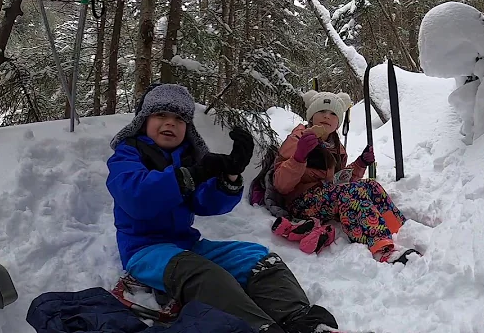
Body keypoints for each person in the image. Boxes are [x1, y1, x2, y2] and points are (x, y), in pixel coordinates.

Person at [106, 83, 339, 333]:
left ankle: (302, 322)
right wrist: (190, 175)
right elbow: (137, 199)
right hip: (144, 251)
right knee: (206, 275)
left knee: (259, 258)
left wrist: (229, 176)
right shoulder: (127, 155)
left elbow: (205, 203)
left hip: (187, 246)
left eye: (179, 118)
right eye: (161, 115)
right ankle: (258, 328)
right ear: (143, 120)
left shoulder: (188, 157)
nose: (170, 123)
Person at [273, 90, 420, 264]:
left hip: (325, 196)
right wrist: (299, 157)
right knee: (350, 194)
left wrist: (360, 163)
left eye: (333, 113)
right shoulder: (298, 139)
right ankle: (382, 248)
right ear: (311, 116)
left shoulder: (335, 146)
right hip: (300, 202)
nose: (327, 116)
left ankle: (399, 229)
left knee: (370, 186)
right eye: (321, 111)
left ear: (338, 122)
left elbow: (339, 181)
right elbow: (280, 185)